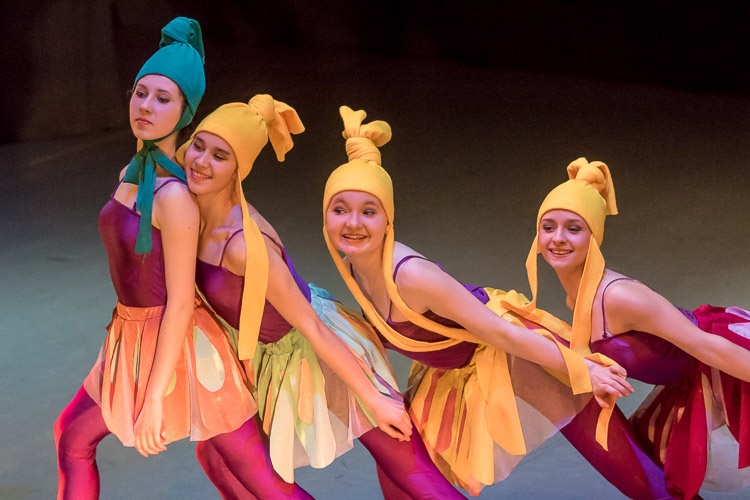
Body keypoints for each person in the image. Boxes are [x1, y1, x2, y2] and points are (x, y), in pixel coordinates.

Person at [321, 106, 662, 496]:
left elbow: (503, 334)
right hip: (458, 371)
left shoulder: (411, 276)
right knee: (400, 469)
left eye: (368, 211)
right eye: (340, 210)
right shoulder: (354, 267)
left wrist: (582, 371)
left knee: (635, 475)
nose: (352, 223)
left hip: (521, 353)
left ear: (388, 219)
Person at [177, 95, 466, 498]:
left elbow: (310, 326)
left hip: (322, 350)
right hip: (266, 358)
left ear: (238, 168)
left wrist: (374, 399)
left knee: (411, 472)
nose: (202, 161)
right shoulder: (185, 209)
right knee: (218, 458)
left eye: (220, 155)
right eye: (198, 146)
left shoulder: (244, 244)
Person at [53, 18, 256, 499]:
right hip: (129, 336)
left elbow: (181, 302)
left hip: (178, 344)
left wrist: (153, 399)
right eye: (141, 93)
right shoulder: (132, 171)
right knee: (72, 438)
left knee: (255, 479)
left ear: (186, 114)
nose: (145, 106)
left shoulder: (173, 197)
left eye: (163, 99)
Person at [506, 157, 750, 499]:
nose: (558, 239)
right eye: (548, 227)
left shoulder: (619, 297)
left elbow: (706, 346)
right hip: (686, 378)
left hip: (725, 360)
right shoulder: (576, 299)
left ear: (593, 236)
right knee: (655, 468)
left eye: (573, 228)